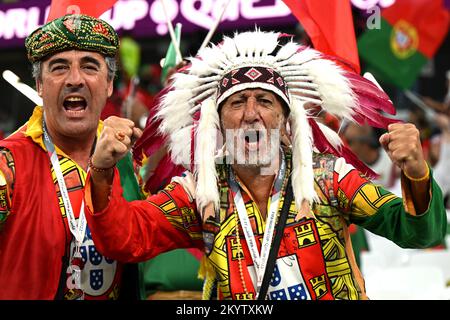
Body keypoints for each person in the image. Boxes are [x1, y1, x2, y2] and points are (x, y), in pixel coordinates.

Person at [84, 30, 447, 300]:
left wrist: (416, 173)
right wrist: (101, 172)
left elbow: (419, 233)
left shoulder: (329, 178)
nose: (251, 115)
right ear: (218, 123)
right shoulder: (199, 192)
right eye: (237, 102)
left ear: (286, 121)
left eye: (265, 101)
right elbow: (124, 238)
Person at [0, 14, 141, 300]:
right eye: (59, 67)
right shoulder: (8, 164)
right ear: (40, 85)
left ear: (109, 84)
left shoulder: (134, 163)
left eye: (89, 66)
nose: (74, 79)